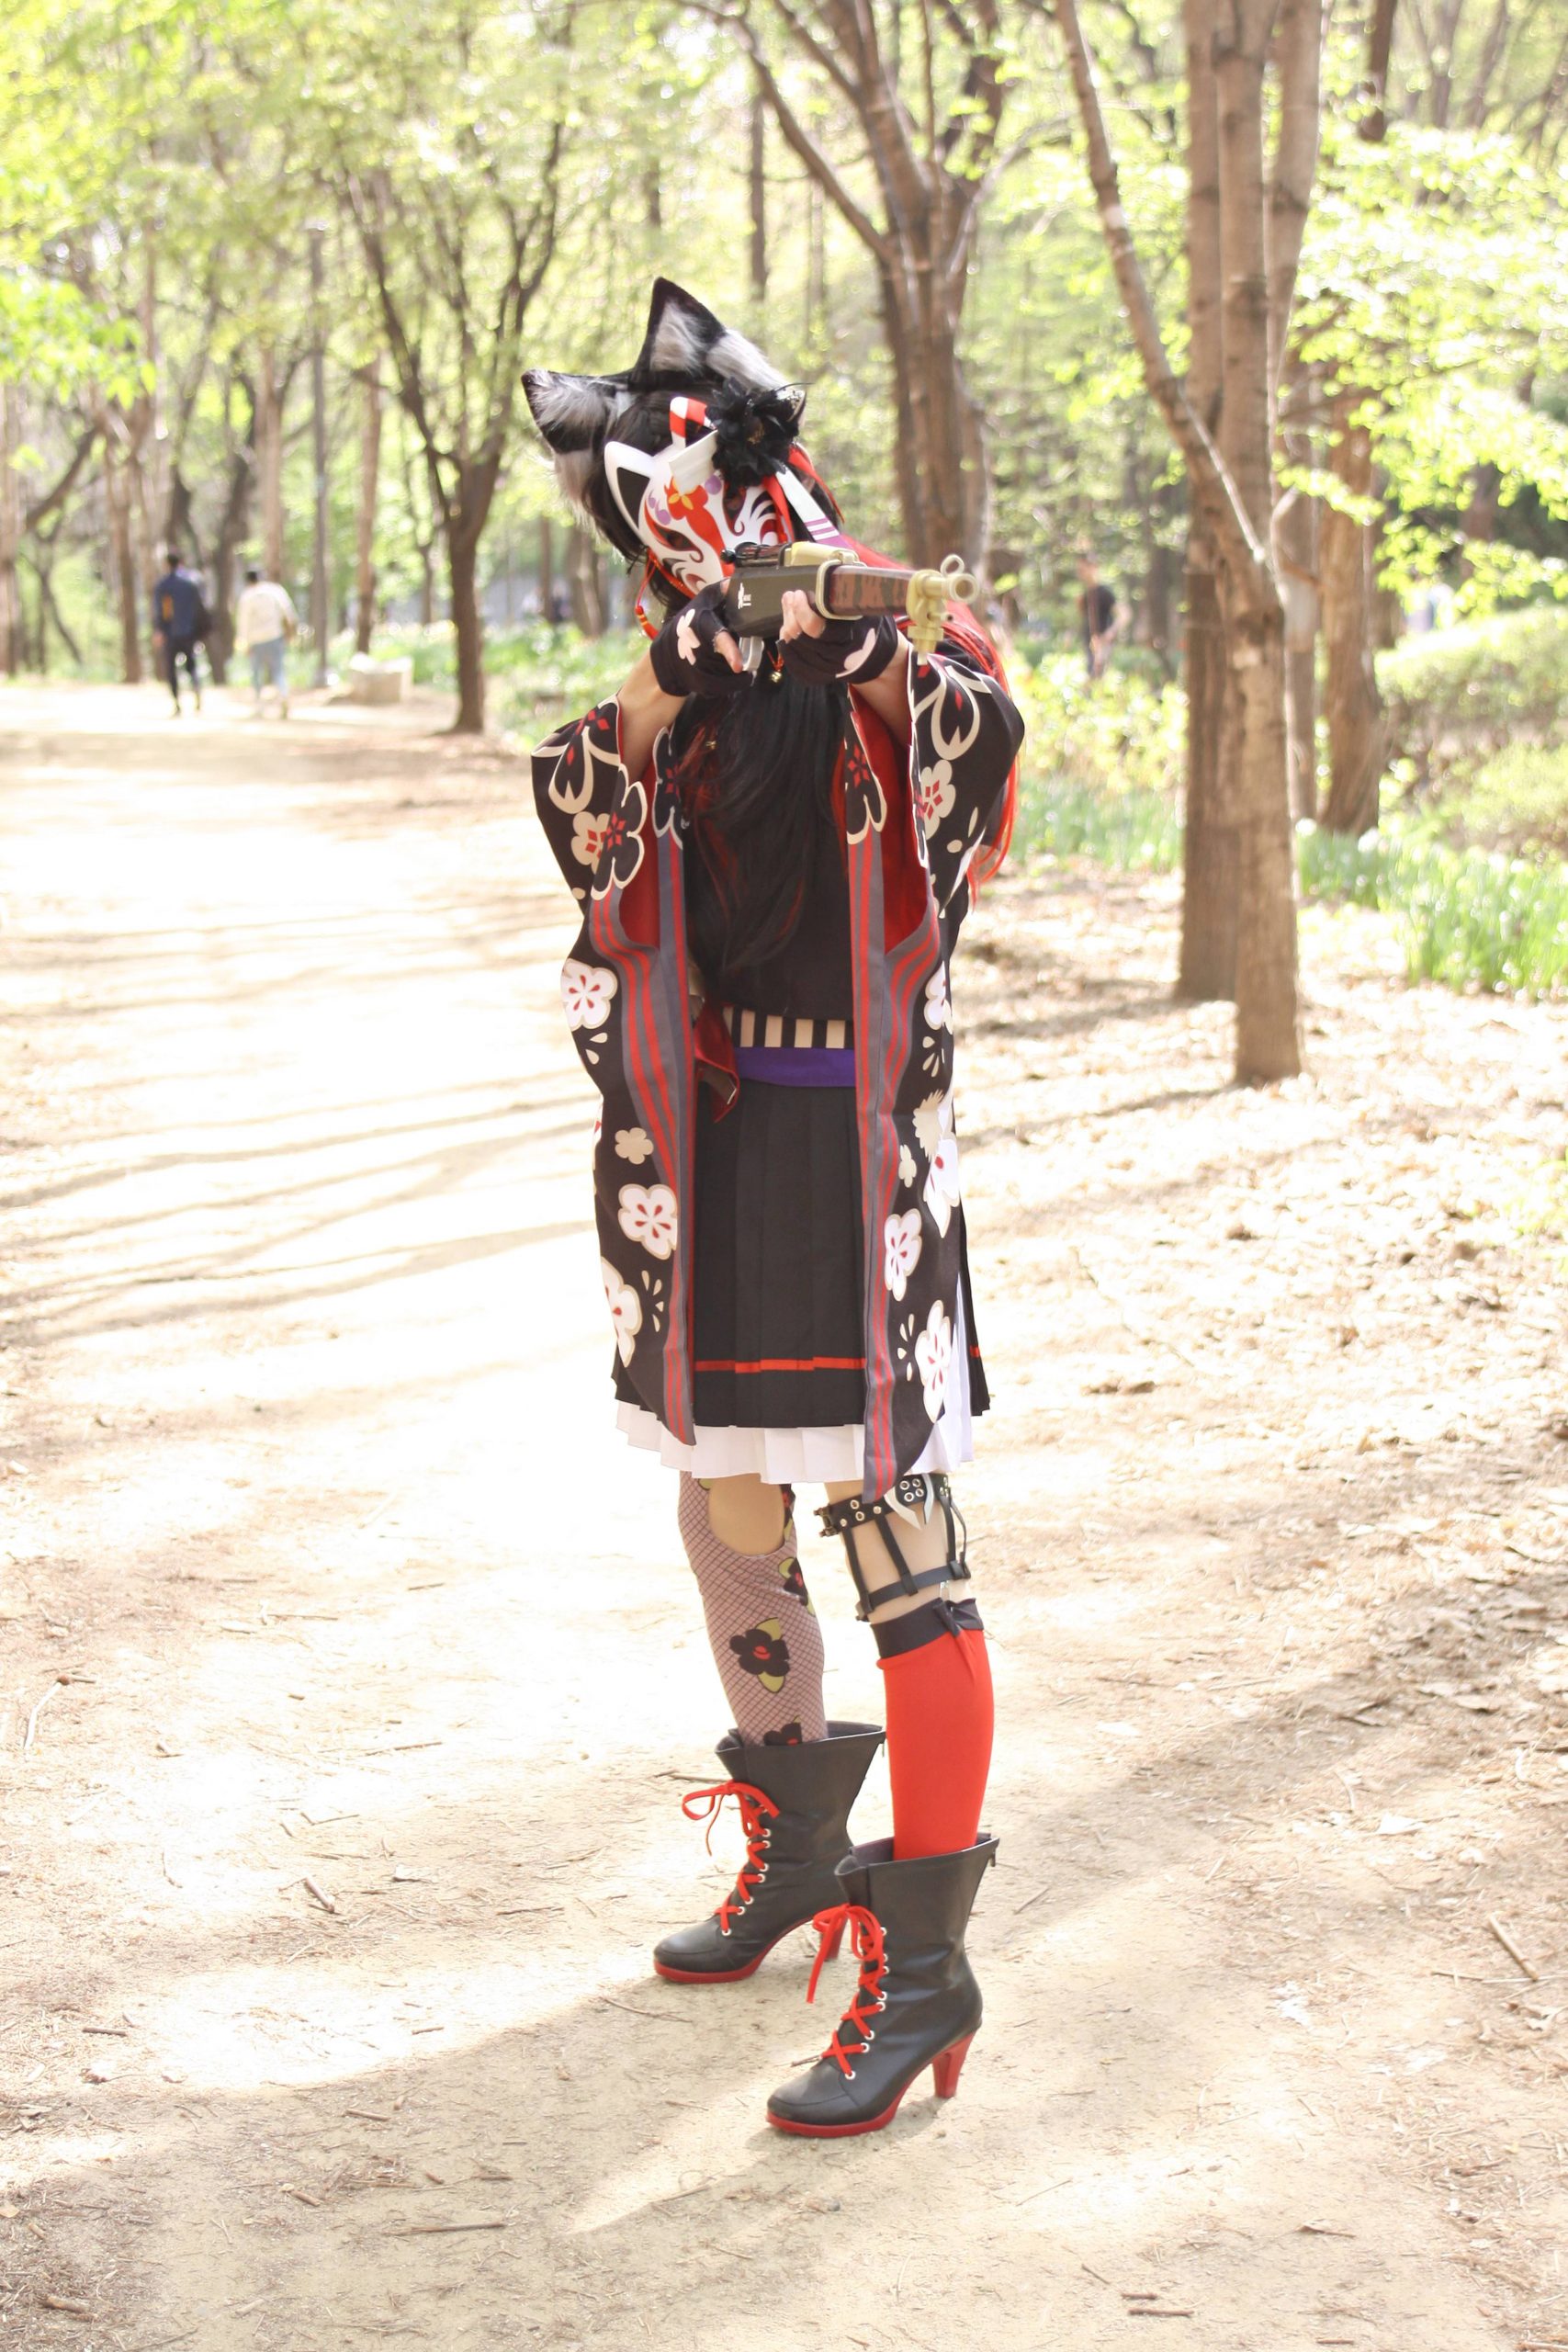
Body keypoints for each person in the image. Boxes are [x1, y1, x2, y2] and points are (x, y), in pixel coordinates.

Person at [524, 280, 1024, 2138]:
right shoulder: (677, 676)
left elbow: (983, 750)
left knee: (898, 1535)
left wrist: (849, 642)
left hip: (859, 1159)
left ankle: (928, 1960)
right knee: (725, 1506)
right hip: (712, 1155)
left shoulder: (901, 623)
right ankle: (800, 1842)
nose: (689, 535)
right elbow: (573, 804)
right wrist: (693, 655)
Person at [151, 550, 209, 716]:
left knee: (172, 669)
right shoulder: (191, 584)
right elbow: (199, 609)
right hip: (189, 632)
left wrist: (160, 630)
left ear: (167, 565)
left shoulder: (164, 585)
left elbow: (164, 611)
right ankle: (197, 694)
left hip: (171, 633)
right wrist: (200, 631)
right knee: (192, 666)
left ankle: (177, 704)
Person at [235, 565, 297, 718]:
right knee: (278, 670)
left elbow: (243, 622)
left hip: (256, 639)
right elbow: (288, 612)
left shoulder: (247, 596)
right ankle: (283, 694)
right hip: (275, 635)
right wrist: (290, 632)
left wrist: (244, 641)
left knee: (256, 672)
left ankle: (259, 705)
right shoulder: (275, 590)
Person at [1076, 550, 1121, 680]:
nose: (1081, 574)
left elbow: (1124, 614)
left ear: (1093, 568)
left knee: (1098, 677)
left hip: (1102, 645)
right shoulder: (1086, 595)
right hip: (1090, 644)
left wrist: (1109, 634)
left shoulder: (1104, 593)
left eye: (1083, 570)